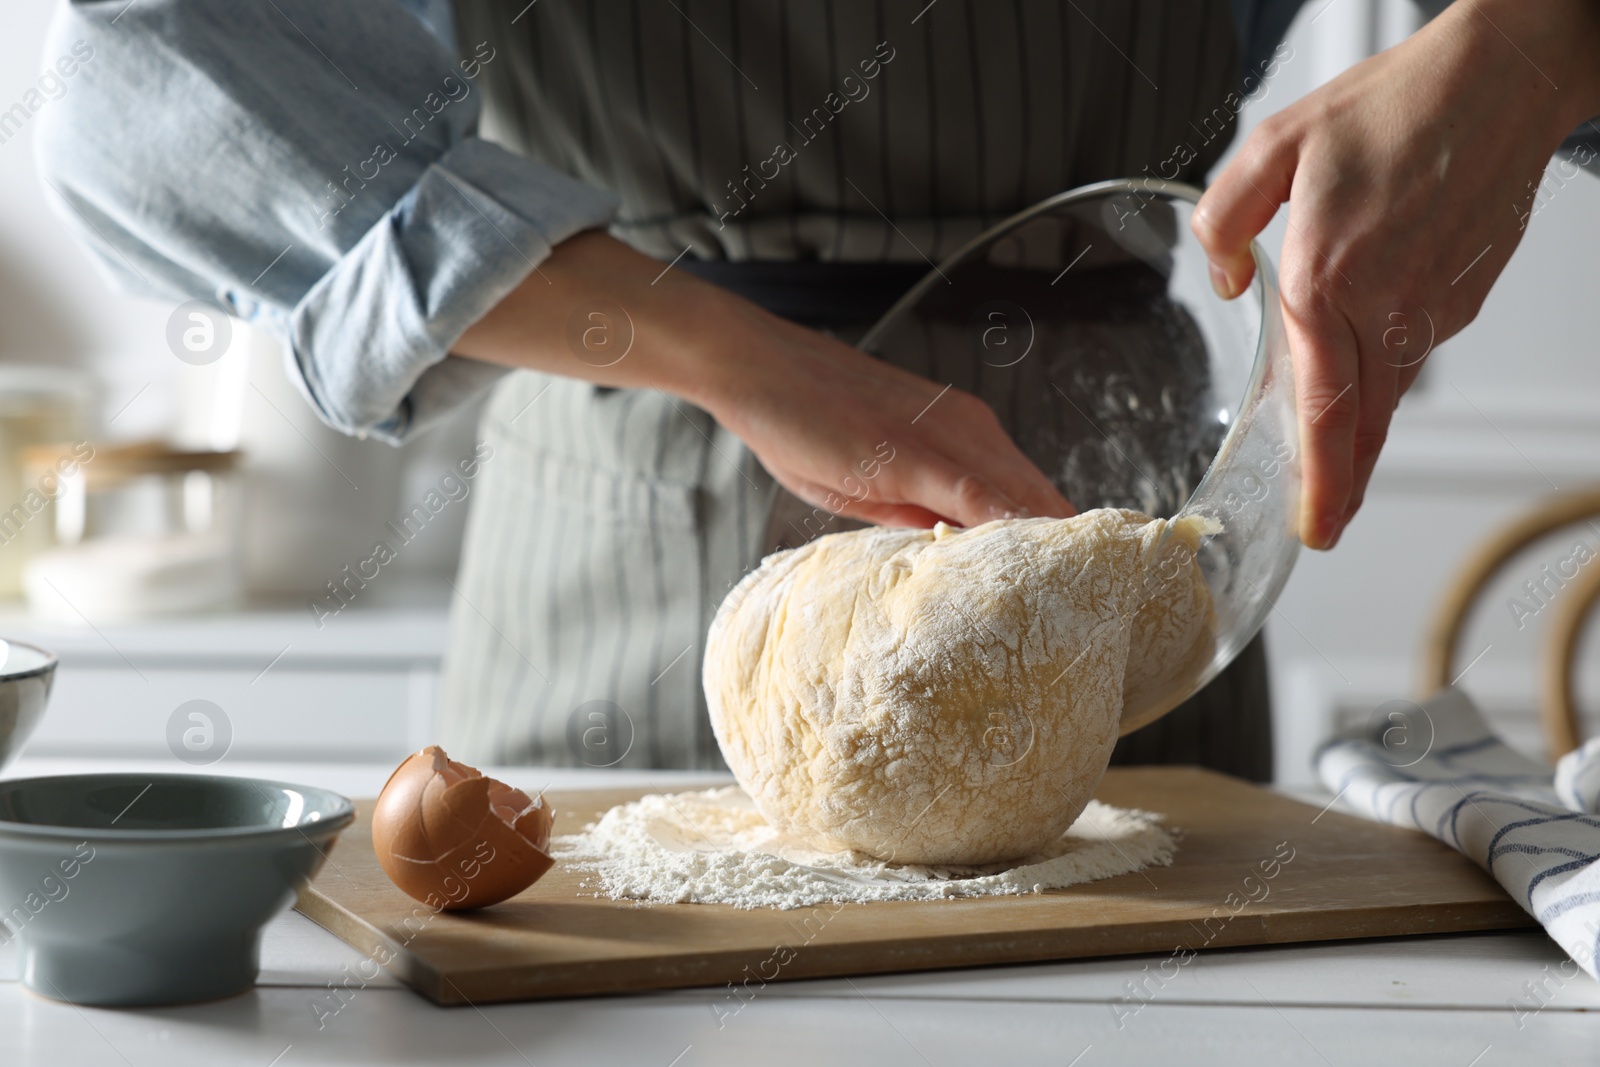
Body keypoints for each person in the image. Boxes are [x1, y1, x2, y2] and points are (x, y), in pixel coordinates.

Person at [37, 0, 1600, 776]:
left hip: (1137, 612)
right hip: (625, 554)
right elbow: (149, 69)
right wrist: (744, 358)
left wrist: (1539, 40)